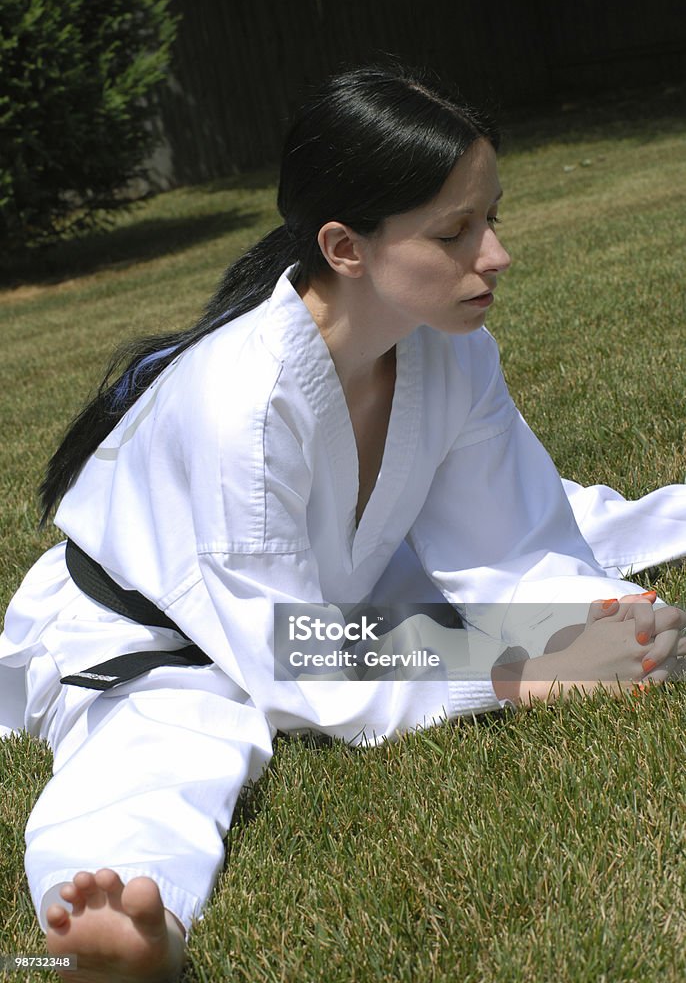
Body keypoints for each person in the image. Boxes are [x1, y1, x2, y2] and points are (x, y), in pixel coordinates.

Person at [1, 62, 685, 983]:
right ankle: (123, 925)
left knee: (578, 540)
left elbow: (513, 547)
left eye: (492, 218)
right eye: (455, 231)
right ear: (345, 246)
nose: (496, 254)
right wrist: (521, 667)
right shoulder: (240, 401)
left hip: (332, 587)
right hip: (162, 634)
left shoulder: (451, 350)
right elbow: (298, 660)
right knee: (168, 749)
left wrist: (605, 625)